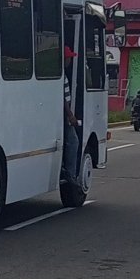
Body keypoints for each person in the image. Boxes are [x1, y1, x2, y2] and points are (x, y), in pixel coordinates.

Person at [62, 46, 80, 183]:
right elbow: (63, 99)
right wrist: (70, 115)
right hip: (63, 116)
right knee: (73, 142)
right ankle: (70, 175)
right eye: (68, 57)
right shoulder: (61, 76)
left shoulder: (62, 74)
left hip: (63, 115)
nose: (70, 60)